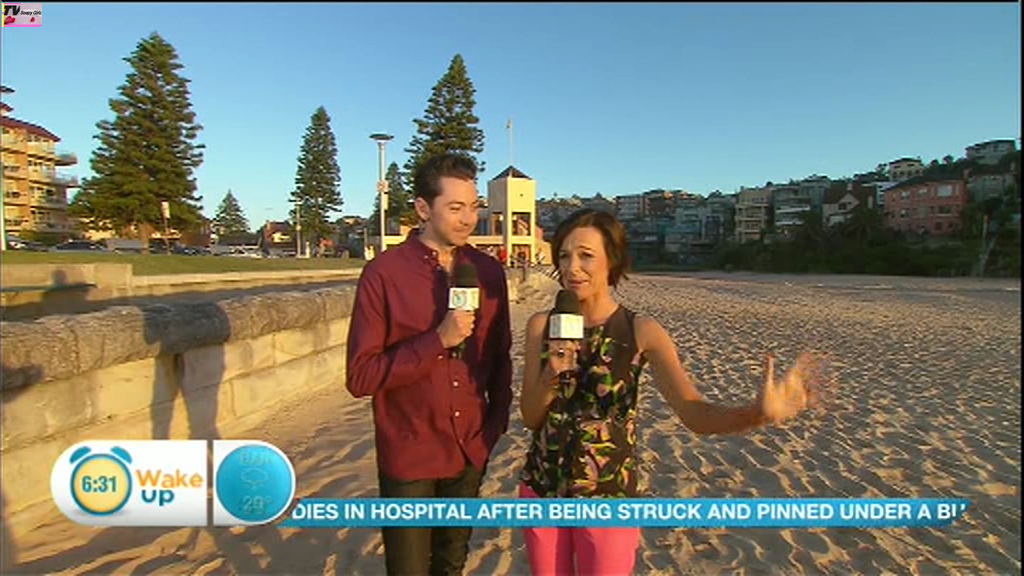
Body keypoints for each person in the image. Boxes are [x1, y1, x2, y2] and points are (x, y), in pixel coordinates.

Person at [517, 208, 823, 576]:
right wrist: (550, 375)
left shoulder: (641, 330)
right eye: (564, 256)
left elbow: (694, 413)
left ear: (612, 260)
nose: (572, 268)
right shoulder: (541, 326)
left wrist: (756, 413)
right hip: (543, 488)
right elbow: (530, 417)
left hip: (609, 497)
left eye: (586, 256)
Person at [346, 153, 514, 576]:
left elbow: (500, 357)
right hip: (409, 452)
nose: (468, 219)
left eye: (473, 207)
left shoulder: (488, 272)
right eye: (455, 208)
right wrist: (438, 340)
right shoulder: (384, 274)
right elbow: (360, 376)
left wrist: (494, 426)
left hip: (470, 447)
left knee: (451, 564)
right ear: (423, 208)